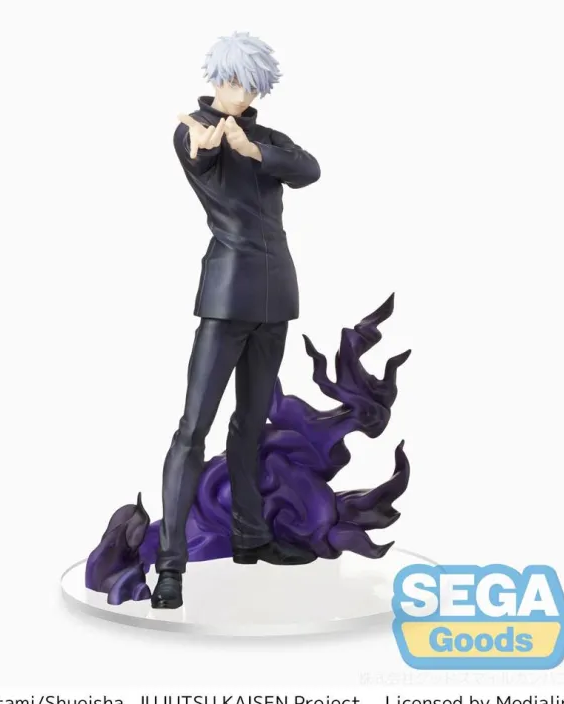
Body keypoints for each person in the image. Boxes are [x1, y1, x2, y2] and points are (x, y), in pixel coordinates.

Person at [152, 32, 321, 609]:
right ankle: (169, 567)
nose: (239, 93)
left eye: (249, 85)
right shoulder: (196, 130)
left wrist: (254, 151)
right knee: (192, 428)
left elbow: (309, 169)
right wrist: (207, 148)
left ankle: (251, 537)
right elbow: (195, 154)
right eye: (231, 81)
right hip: (226, 296)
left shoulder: (267, 138)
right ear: (215, 78)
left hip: (276, 295)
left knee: (250, 423)